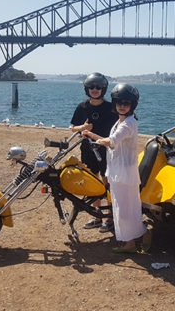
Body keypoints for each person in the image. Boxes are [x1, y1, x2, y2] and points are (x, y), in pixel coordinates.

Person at [82, 83, 151, 253]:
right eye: (119, 102)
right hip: (118, 172)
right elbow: (109, 140)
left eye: (126, 103)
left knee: (125, 210)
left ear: (132, 105)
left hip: (124, 173)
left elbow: (111, 141)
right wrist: (90, 135)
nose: (122, 106)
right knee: (124, 208)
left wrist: (97, 141)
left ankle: (134, 241)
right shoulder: (122, 121)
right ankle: (137, 239)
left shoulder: (128, 124)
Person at [70, 72, 118, 232]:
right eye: (91, 87)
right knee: (92, 182)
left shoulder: (111, 108)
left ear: (103, 89)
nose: (95, 89)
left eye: (98, 87)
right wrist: (82, 128)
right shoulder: (82, 107)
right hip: (87, 150)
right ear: (87, 89)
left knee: (107, 182)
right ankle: (97, 216)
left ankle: (110, 218)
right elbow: (72, 128)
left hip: (106, 151)